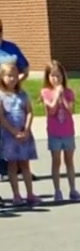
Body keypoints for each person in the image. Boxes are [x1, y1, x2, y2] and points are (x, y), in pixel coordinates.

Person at [40, 59, 80, 203]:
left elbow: (70, 110)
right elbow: (51, 111)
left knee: (69, 161)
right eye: (52, 76)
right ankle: (57, 190)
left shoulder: (69, 92)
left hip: (68, 132)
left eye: (58, 75)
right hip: (54, 133)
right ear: (48, 77)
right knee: (56, 161)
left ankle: (73, 189)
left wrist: (63, 96)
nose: (56, 79)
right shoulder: (45, 92)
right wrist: (56, 96)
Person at [0, 60, 40, 206]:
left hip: (24, 135)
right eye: (9, 75)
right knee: (12, 165)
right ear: (2, 77)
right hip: (10, 136)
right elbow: (1, 117)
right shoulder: (1, 95)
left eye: (15, 75)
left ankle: (30, 193)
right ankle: (16, 195)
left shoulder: (22, 94)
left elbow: (29, 111)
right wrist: (13, 131)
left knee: (25, 165)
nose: (12, 78)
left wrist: (27, 129)